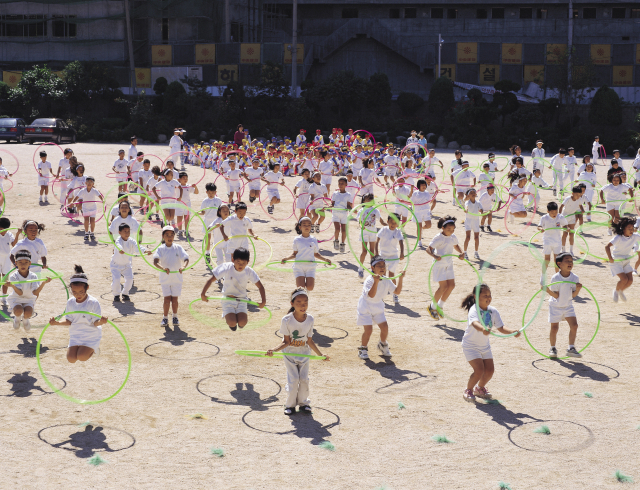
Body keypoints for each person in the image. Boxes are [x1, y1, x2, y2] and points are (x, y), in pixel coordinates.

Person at [267, 288, 328, 415]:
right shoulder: (286, 320)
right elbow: (286, 341)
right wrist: (274, 350)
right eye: (299, 302)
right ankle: (289, 405)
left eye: (305, 302)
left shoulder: (310, 319)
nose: (302, 305)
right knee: (294, 379)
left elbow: (310, 341)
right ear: (292, 304)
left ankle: (304, 403)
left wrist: (321, 355)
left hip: (304, 354)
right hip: (290, 355)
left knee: (304, 379)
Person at [460, 284, 521, 402]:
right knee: (479, 370)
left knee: (489, 371)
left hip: (484, 346)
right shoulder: (474, 309)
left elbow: (501, 327)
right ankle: (468, 390)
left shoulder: (493, 311)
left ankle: (480, 388)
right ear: (476, 297)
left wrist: (512, 331)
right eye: (485, 295)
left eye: (489, 295)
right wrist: (483, 329)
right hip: (470, 346)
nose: (488, 297)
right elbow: (475, 323)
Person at [49, 265, 108, 363]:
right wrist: (56, 323)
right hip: (76, 334)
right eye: (74, 292)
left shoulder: (93, 302)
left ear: (87, 288)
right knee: (71, 359)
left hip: (91, 334)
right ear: (71, 289)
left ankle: (94, 349)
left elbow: (95, 322)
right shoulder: (70, 302)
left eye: (81, 292)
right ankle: (84, 349)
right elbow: (69, 321)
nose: (78, 295)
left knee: (81, 357)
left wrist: (101, 321)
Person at [200, 247, 266, 331]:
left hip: (242, 299)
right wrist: (203, 294)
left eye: (243, 262)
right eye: (238, 262)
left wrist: (263, 301)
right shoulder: (226, 267)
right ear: (232, 260)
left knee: (242, 322)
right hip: (228, 299)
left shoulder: (249, 271)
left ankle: (239, 323)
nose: (240, 265)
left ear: (248, 262)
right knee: (232, 322)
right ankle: (232, 325)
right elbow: (210, 280)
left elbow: (260, 286)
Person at [356, 256, 405, 360]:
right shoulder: (369, 280)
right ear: (372, 268)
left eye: (384, 266)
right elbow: (371, 295)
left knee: (385, 328)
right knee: (368, 330)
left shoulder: (386, 280)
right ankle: (362, 348)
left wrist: (400, 279)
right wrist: (376, 282)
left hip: (378, 306)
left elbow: (397, 292)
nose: (382, 268)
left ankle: (382, 345)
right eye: (379, 266)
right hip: (365, 307)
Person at [425, 216, 465, 320]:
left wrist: (461, 252)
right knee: (443, 287)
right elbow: (428, 249)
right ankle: (432, 307)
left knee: (451, 286)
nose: (451, 231)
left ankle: (440, 306)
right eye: (448, 229)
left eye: (453, 229)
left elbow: (456, 245)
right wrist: (435, 256)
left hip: (449, 264)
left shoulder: (452, 237)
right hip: (439, 265)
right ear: (443, 228)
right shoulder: (438, 238)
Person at [545, 252, 583, 358]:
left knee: (574, 326)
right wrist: (548, 291)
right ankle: (552, 348)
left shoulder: (575, 278)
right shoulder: (555, 278)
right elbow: (556, 296)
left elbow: (573, 295)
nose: (570, 263)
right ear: (559, 264)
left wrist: (578, 289)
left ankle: (571, 348)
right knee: (554, 328)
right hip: (555, 306)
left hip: (567, 305)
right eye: (567, 261)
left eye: (571, 261)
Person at [280, 217, 332, 292]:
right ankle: (303, 296)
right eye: (304, 225)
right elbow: (294, 254)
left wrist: (325, 259)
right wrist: (286, 259)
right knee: (301, 288)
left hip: (310, 266)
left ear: (311, 227)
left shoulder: (313, 239)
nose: (307, 227)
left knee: (310, 287)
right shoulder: (297, 239)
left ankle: (306, 295)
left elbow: (316, 254)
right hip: (299, 266)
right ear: (300, 227)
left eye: (309, 225)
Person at [6, 249, 52, 331]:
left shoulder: (33, 276)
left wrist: (43, 283)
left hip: (29, 298)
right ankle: (17, 318)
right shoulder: (14, 276)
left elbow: (35, 292)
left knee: (28, 313)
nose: (23, 265)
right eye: (20, 262)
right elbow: (20, 293)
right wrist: (12, 285)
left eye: (26, 262)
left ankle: (25, 319)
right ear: (16, 263)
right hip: (16, 298)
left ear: (30, 263)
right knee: (18, 311)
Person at [153, 226, 189, 328]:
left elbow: (186, 258)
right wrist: (163, 268)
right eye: (167, 235)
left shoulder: (178, 247)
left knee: (175, 299)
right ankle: (165, 318)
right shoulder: (160, 249)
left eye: (172, 235)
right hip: (165, 279)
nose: (170, 237)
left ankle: (175, 316)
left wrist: (183, 266)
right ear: (163, 236)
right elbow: (155, 261)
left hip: (177, 278)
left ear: (174, 236)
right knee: (167, 299)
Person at [111, 223, 151, 302]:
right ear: (119, 232)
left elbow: (137, 247)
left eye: (128, 231)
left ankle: (125, 293)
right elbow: (118, 245)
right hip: (116, 265)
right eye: (125, 231)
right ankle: (116, 295)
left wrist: (145, 251)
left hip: (126, 265)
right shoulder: (118, 240)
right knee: (116, 279)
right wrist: (120, 249)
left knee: (130, 279)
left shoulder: (131, 241)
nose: (127, 233)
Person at [605, 217, 640, 303]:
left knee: (630, 281)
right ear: (623, 229)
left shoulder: (635, 236)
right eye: (629, 229)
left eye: (632, 228)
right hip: (616, 261)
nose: (631, 230)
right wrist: (610, 258)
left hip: (626, 260)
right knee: (624, 279)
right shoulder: (618, 237)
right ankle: (616, 291)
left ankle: (621, 291)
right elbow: (607, 246)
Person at [375, 213, 404, 303]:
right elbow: (377, 241)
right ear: (387, 222)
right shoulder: (383, 230)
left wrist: (402, 252)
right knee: (381, 276)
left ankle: (394, 294)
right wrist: (376, 252)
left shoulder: (398, 232)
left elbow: (401, 242)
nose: (393, 224)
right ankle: (381, 294)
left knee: (391, 276)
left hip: (393, 257)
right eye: (391, 222)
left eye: (395, 223)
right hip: (383, 256)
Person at [537, 202, 568, 282]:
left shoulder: (560, 217)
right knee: (547, 259)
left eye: (556, 212)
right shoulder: (544, 218)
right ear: (548, 211)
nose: (554, 214)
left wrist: (566, 228)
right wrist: (541, 229)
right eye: (552, 212)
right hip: (547, 241)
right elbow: (539, 226)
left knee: (557, 260)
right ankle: (543, 276)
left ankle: (557, 277)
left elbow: (565, 225)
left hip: (557, 242)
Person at [357, 194, 386, 279]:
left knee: (372, 252)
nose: (369, 200)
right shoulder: (361, 210)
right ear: (363, 201)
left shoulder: (375, 210)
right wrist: (361, 226)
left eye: (371, 199)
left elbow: (381, 221)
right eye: (367, 199)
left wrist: (389, 225)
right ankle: (360, 268)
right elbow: (359, 222)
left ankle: (373, 270)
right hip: (364, 232)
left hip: (372, 232)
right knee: (364, 251)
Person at [74, 177, 103, 242]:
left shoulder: (95, 190)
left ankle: (92, 233)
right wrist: (73, 202)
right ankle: (86, 233)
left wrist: (103, 201)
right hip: (85, 208)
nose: (89, 183)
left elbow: (100, 196)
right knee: (86, 220)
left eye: (91, 182)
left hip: (93, 207)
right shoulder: (83, 190)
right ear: (85, 183)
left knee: (92, 221)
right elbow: (77, 196)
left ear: (93, 184)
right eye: (88, 182)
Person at [558, 186, 585, 254]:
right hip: (565, 216)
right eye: (576, 194)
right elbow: (561, 206)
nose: (578, 196)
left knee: (571, 234)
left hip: (572, 216)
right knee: (565, 233)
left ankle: (571, 250)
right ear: (572, 193)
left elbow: (580, 205)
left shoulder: (579, 199)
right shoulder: (568, 198)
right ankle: (563, 250)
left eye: (579, 195)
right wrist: (560, 216)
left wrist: (582, 210)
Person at [330, 177, 352, 252]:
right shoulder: (335, 193)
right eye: (339, 183)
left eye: (342, 183)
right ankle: (336, 241)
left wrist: (350, 209)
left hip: (344, 214)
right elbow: (332, 204)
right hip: (336, 213)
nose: (340, 185)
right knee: (337, 229)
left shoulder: (348, 195)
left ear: (346, 184)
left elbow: (348, 205)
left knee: (344, 230)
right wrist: (327, 207)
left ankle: (342, 244)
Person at [175, 171, 199, 238]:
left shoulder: (189, 186)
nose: (185, 179)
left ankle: (186, 230)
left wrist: (195, 187)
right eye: (183, 178)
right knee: (179, 217)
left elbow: (196, 192)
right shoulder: (176, 186)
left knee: (187, 218)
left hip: (187, 204)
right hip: (179, 204)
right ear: (179, 179)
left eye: (186, 178)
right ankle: (180, 231)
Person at [411, 179, 433, 247]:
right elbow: (412, 202)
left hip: (426, 211)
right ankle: (419, 241)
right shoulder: (415, 193)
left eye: (424, 185)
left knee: (429, 225)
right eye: (422, 185)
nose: (423, 186)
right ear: (418, 186)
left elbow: (430, 200)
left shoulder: (427, 192)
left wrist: (436, 193)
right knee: (419, 226)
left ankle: (422, 229)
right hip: (418, 211)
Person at [463, 188, 483, 260]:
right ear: (468, 195)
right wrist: (466, 210)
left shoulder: (478, 203)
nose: (473, 193)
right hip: (468, 221)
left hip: (476, 221)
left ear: (476, 194)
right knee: (468, 237)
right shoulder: (467, 202)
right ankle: (465, 252)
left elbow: (481, 210)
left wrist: (481, 211)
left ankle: (476, 252)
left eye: (474, 192)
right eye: (471, 193)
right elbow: (466, 207)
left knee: (476, 238)